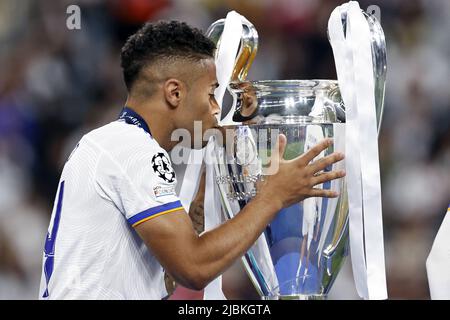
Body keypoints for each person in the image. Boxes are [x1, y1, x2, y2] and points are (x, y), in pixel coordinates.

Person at [38, 20, 345, 299]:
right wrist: (272, 198)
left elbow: (169, 277)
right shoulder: (129, 147)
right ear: (174, 93)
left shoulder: (115, 144)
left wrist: (202, 197)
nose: (215, 108)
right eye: (212, 94)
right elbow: (193, 267)